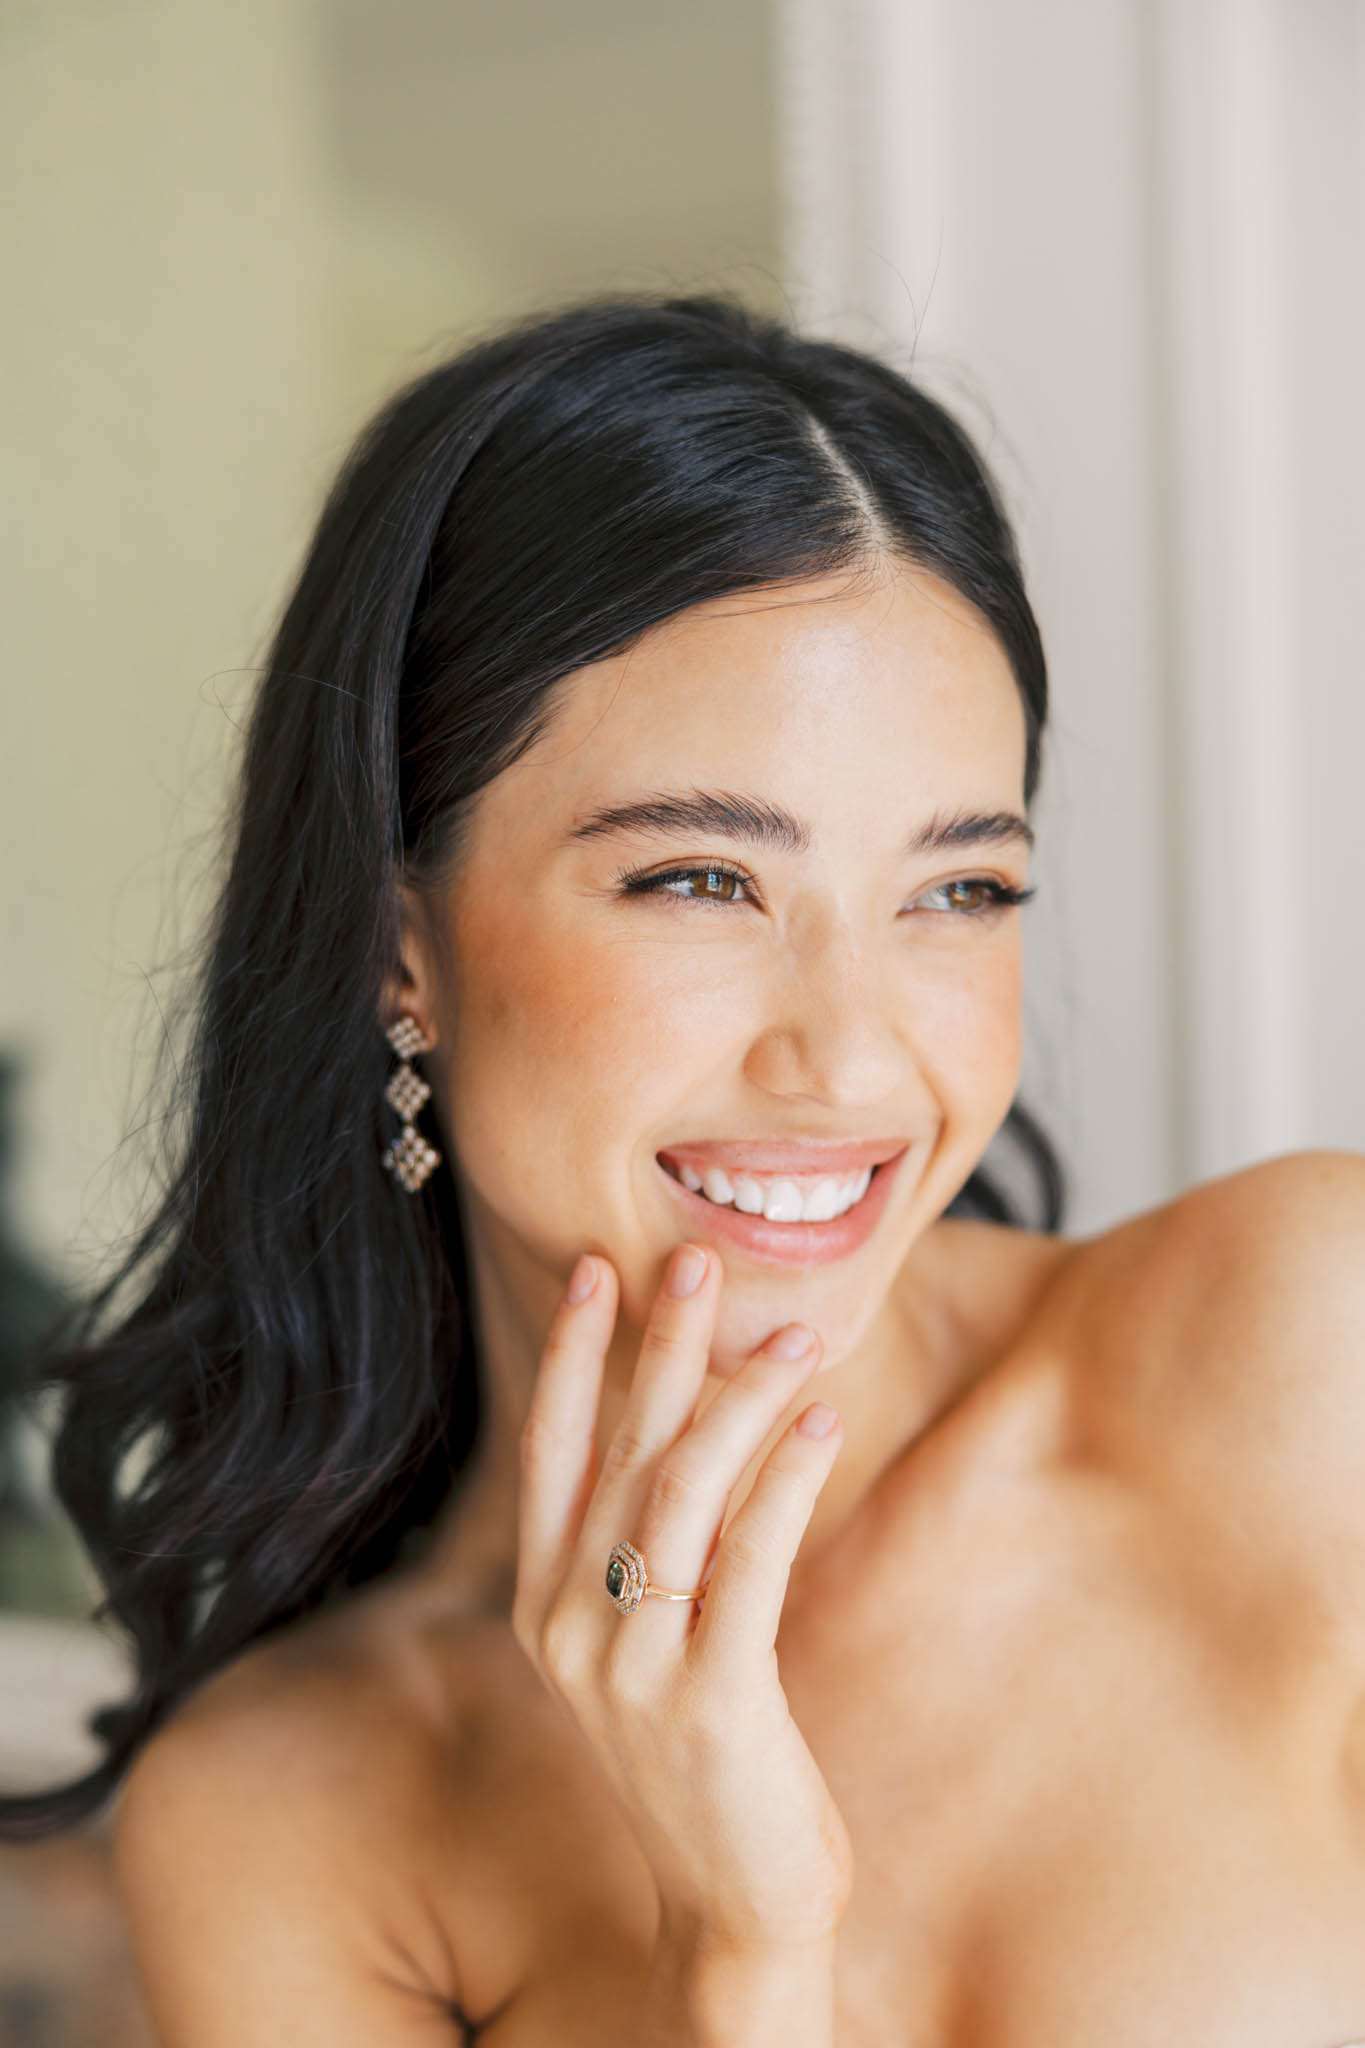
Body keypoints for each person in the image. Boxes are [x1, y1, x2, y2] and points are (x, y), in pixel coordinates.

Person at [3, 292, 1363, 2047]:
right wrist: (739, 1949)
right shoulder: (295, 1818)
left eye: (958, 891)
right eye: (701, 881)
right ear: (391, 941)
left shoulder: (1308, 1354)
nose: (855, 1057)